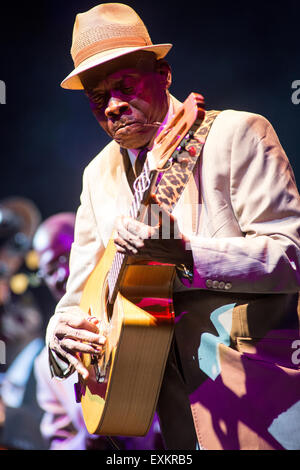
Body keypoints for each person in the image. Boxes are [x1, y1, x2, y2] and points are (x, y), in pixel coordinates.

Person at [46, 3, 300, 450]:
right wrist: (59, 331)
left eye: (124, 87)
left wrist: (186, 253)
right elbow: (76, 296)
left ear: (163, 74)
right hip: (167, 415)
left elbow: (290, 257)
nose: (114, 106)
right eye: (98, 97)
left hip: (261, 402)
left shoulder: (237, 133)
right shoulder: (96, 174)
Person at [33, 212, 164, 450]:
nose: (62, 274)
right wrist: (89, 441)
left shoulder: (137, 313)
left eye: (66, 258)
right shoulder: (44, 365)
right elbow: (58, 443)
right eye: (50, 270)